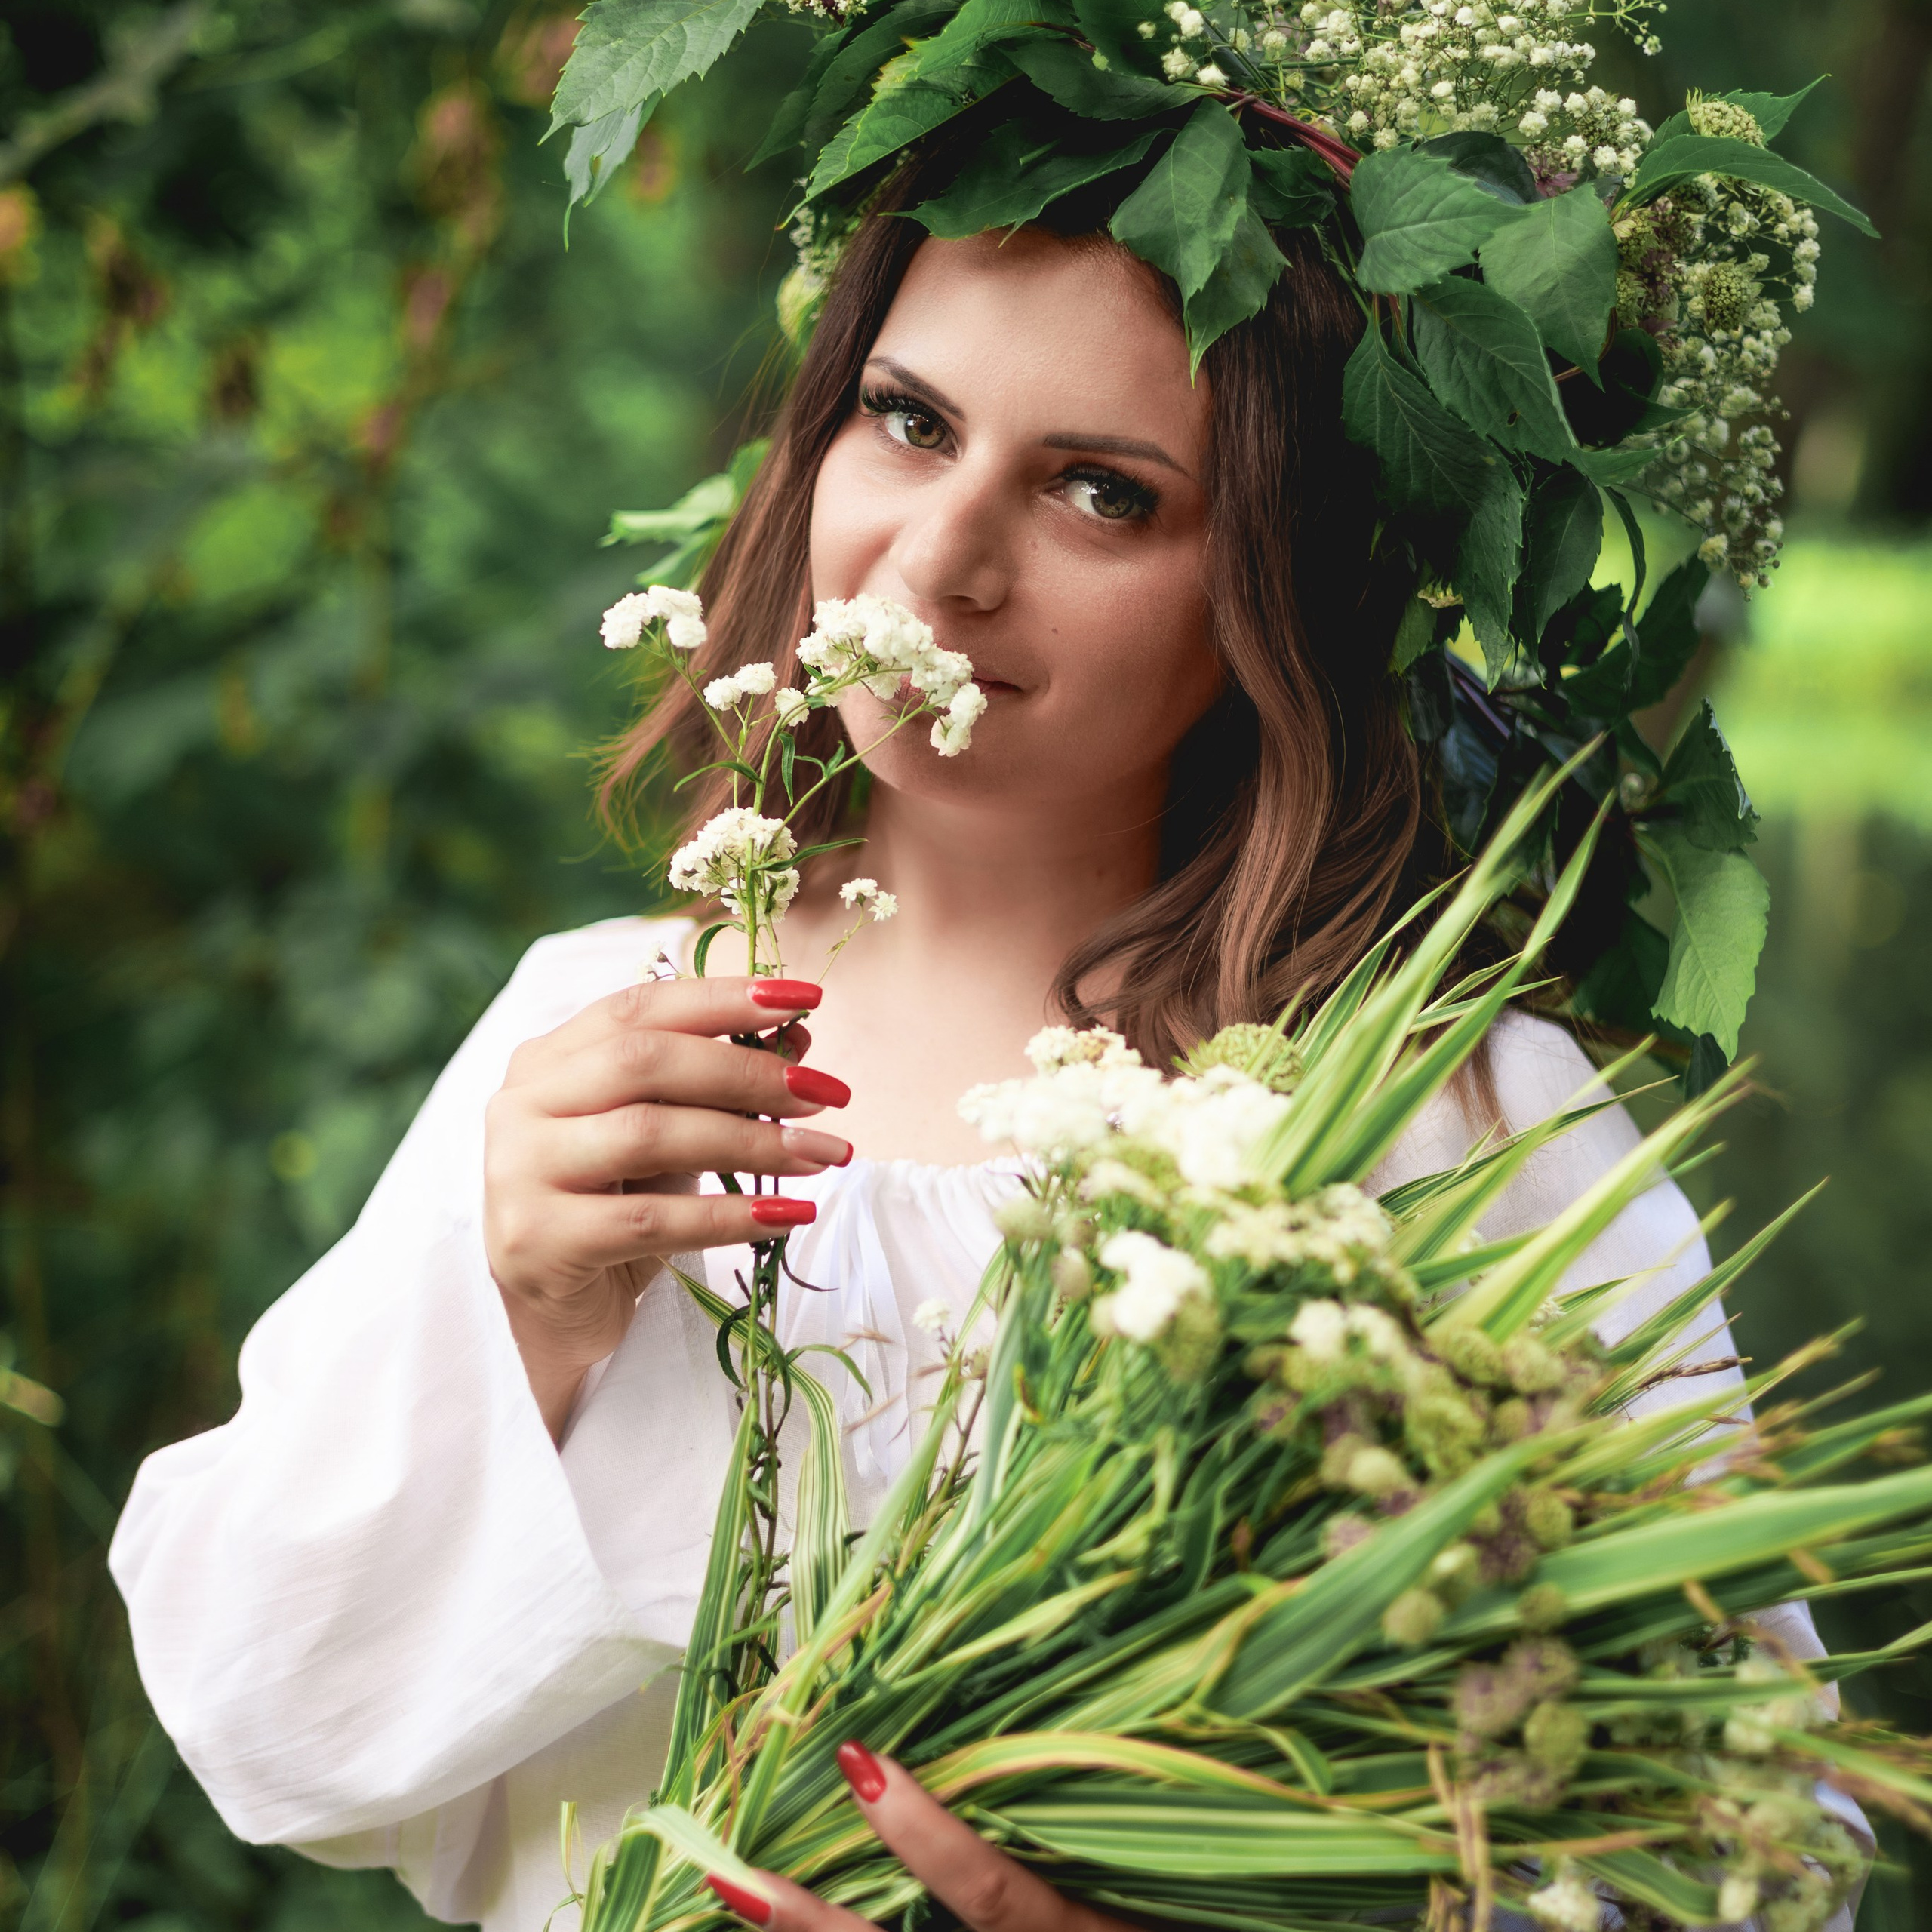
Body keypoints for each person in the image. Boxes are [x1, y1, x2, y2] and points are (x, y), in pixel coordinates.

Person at [109, 171, 1833, 1932]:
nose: (940, 559)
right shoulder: (603, 1032)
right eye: (907, 420)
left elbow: (1755, 1838)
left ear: (1277, 593)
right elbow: (268, 1726)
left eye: (1103, 492)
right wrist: (524, 1312)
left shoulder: (1440, 1115)